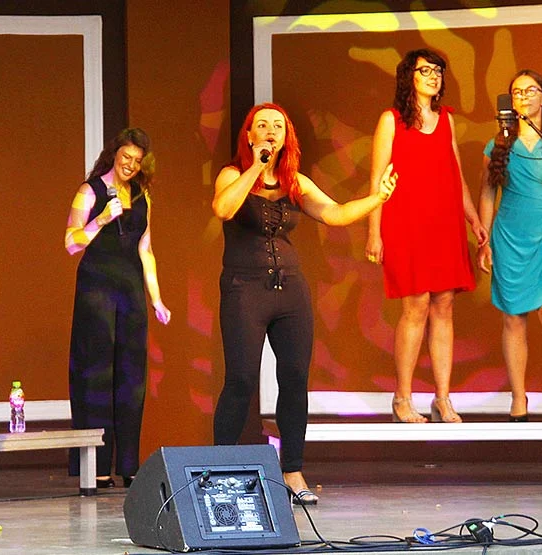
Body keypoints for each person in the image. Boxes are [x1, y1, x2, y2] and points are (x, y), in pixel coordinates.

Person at [212, 102, 396, 505]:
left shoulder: (296, 182)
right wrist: (256, 167)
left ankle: (292, 470)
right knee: (240, 379)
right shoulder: (233, 174)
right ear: (249, 136)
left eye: (278, 126)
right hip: (244, 289)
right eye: (262, 125)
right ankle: (218, 471)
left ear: (286, 136)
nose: (270, 130)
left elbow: (336, 214)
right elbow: (223, 208)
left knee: (295, 378)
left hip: (291, 291)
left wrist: (377, 198)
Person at [365, 49, 488, 424]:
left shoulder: (446, 119)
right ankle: (402, 398)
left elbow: (456, 174)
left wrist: (473, 218)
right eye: (426, 70)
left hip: (445, 223)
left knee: (444, 305)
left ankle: (443, 399)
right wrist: (374, 232)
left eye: (438, 71)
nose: (434, 76)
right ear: (410, 76)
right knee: (415, 305)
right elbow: (377, 181)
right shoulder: (391, 120)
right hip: (406, 223)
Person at [64, 128, 172, 488]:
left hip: (130, 291)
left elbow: (146, 250)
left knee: (131, 378)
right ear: (114, 155)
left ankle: (128, 464)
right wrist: (101, 220)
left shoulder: (142, 195)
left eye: (137, 161)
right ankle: (95, 466)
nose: (130, 165)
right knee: (96, 374)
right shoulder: (90, 191)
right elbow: (70, 242)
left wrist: (156, 299)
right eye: (126, 157)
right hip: (96, 289)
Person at [477, 70, 542, 422]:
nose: (523, 96)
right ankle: (518, 398)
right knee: (513, 319)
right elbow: (487, 193)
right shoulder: (497, 146)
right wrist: (483, 240)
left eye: (530, 90)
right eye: (516, 91)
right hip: (509, 236)